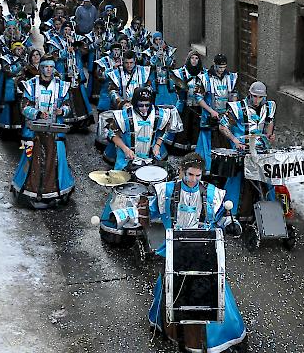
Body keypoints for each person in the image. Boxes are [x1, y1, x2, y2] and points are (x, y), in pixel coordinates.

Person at [147, 152, 247, 352]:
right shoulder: (165, 191)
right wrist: (136, 211)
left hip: (203, 249)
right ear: (181, 171)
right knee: (171, 290)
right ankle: (175, 332)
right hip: (173, 250)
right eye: (190, 174)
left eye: (197, 175)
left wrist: (231, 224)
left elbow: (221, 218)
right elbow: (150, 213)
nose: (193, 179)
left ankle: (214, 338)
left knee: (213, 291)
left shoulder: (212, 193)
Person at [11, 59, 75, 207]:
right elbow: (24, 107)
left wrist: (62, 110)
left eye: (51, 67)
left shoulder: (61, 85)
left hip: (55, 132)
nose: (48, 70)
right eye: (45, 67)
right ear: (40, 68)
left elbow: (67, 105)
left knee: (57, 160)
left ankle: (56, 191)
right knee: (31, 160)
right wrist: (37, 113)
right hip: (34, 132)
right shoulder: (31, 84)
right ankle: (31, 191)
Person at [218, 81, 276, 217]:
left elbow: (269, 123)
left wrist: (269, 136)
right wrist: (235, 140)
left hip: (261, 151)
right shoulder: (237, 108)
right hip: (243, 150)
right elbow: (222, 126)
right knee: (238, 181)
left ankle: (267, 214)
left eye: (260, 97)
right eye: (254, 96)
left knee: (266, 180)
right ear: (250, 94)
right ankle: (232, 213)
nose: (257, 100)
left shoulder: (269, 107)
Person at [105, 88, 180, 171]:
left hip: (150, 156)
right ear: (135, 103)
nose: (144, 108)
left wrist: (158, 145)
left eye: (147, 105)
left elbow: (165, 128)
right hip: (127, 157)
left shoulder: (158, 114)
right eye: (141, 105)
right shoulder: (124, 115)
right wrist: (125, 149)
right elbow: (112, 133)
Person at [195, 54, 238, 173]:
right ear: (214, 65)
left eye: (224, 67)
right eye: (219, 67)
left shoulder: (231, 77)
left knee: (226, 139)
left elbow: (234, 94)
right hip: (210, 116)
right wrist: (211, 111)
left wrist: (231, 109)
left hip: (226, 115)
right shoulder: (204, 78)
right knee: (208, 142)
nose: (221, 70)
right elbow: (198, 98)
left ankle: (225, 168)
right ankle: (208, 168)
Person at [168, 50, 207, 152]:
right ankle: (181, 149)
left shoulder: (204, 73)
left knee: (196, 128)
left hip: (198, 106)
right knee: (183, 128)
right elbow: (175, 85)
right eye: (192, 58)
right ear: (189, 59)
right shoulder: (181, 72)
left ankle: (196, 149)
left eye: (196, 58)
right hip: (185, 105)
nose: (194, 61)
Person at [143, 31, 178, 106]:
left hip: (167, 78)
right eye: (156, 39)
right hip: (155, 78)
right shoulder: (149, 52)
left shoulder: (169, 50)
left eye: (160, 39)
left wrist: (165, 58)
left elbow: (173, 65)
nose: (158, 41)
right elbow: (146, 67)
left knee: (170, 100)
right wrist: (155, 58)